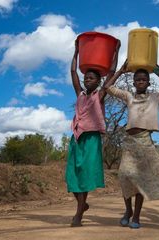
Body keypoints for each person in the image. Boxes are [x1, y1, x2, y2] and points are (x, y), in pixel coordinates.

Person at [104, 61, 159, 229]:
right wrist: (120, 71)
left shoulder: (155, 97)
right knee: (124, 175)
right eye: (137, 80)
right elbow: (107, 87)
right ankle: (128, 211)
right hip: (130, 143)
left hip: (145, 141)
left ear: (148, 82)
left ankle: (136, 216)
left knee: (140, 180)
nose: (140, 82)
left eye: (143, 80)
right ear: (133, 82)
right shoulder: (128, 96)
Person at [65, 37, 120, 227]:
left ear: (98, 81)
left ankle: (78, 215)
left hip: (92, 139)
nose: (88, 80)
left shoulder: (100, 95)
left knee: (86, 176)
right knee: (72, 176)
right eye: (86, 77)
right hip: (77, 138)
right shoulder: (80, 94)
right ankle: (83, 204)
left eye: (92, 78)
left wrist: (116, 52)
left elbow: (112, 72)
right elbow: (73, 71)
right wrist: (76, 52)